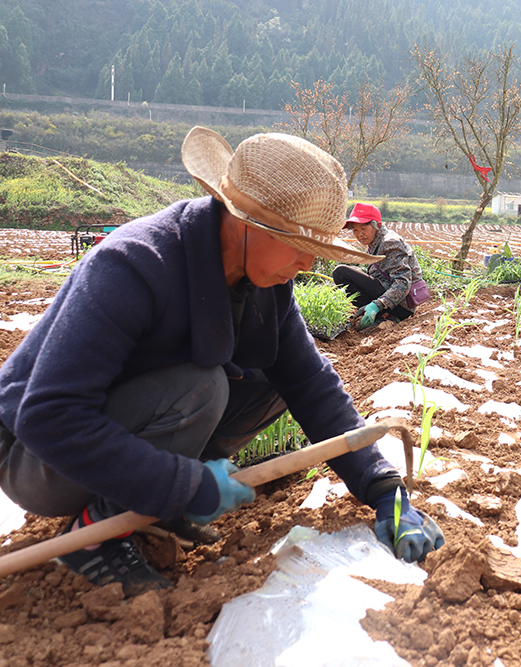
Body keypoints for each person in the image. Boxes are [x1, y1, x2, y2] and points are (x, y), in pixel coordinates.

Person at [0, 127, 444, 598]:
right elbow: (49, 417)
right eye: (299, 245)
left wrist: (382, 487)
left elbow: (310, 383)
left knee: (274, 377)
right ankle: (97, 533)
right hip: (37, 459)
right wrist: (184, 483)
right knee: (203, 386)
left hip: (109, 439)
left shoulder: (266, 284)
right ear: (246, 222)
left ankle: (152, 507)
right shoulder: (134, 265)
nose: (307, 264)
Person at [332, 203, 427, 330]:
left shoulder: (389, 243)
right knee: (353, 271)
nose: (359, 234)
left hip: (402, 306)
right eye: (355, 229)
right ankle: (383, 314)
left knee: (341, 273)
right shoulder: (375, 243)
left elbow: (403, 283)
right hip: (392, 300)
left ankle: (385, 315)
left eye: (363, 228)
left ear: (378, 225)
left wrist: (378, 304)